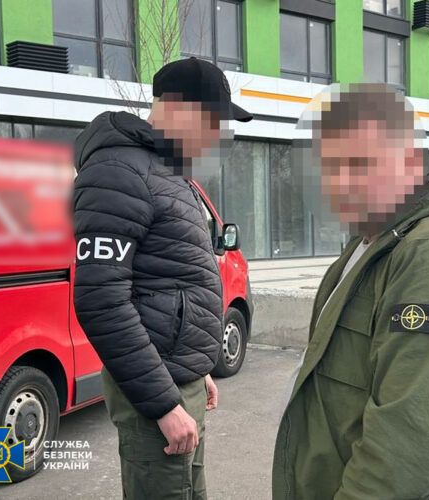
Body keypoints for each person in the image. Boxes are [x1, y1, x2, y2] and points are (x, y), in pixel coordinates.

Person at [272, 84, 429, 499]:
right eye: (330, 166)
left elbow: (406, 443)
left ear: (409, 161)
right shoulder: (374, 239)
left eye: (360, 163)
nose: (341, 181)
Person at [72, 58, 252, 499]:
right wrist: (164, 404)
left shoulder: (169, 173)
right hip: (155, 400)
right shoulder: (119, 171)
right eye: (211, 121)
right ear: (175, 107)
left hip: (178, 382)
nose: (216, 135)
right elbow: (101, 301)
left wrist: (195, 367)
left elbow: (173, 279)